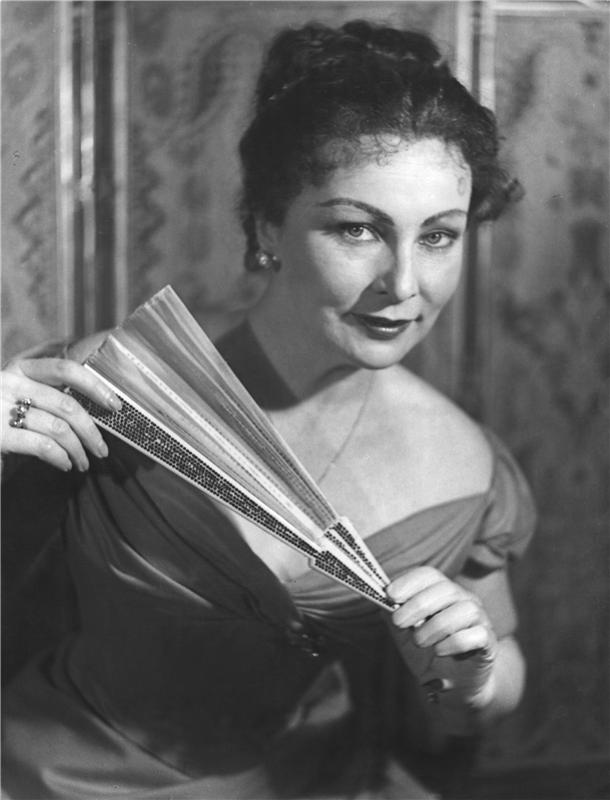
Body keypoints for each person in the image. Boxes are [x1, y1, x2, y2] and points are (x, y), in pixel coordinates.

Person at [1, 19, 535, 800]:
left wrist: (473, 673)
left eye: (439, 237)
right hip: (71, 775)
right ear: (266, 227)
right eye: (357, 229)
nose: (404, 285)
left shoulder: (470, 468)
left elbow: (491, 677)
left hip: (317, 779)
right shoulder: (114, 390)